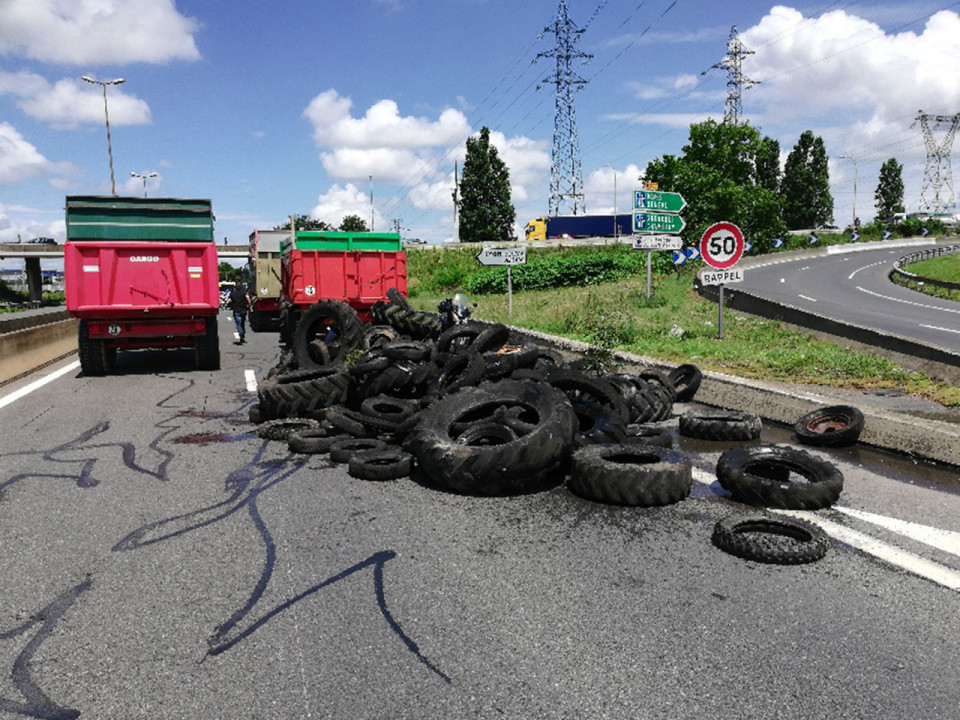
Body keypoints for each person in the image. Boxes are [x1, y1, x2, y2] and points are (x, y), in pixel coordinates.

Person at [226, 274, 251, 344]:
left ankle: (240, 332)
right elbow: (247, 298)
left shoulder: (233, 290)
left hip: (236, 309)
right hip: (243, 309)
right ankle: (242, 334)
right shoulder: (244, 290)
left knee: (238, 323)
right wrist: (250, 306)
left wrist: (226, 304)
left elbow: (229, 299)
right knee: (242, 322)